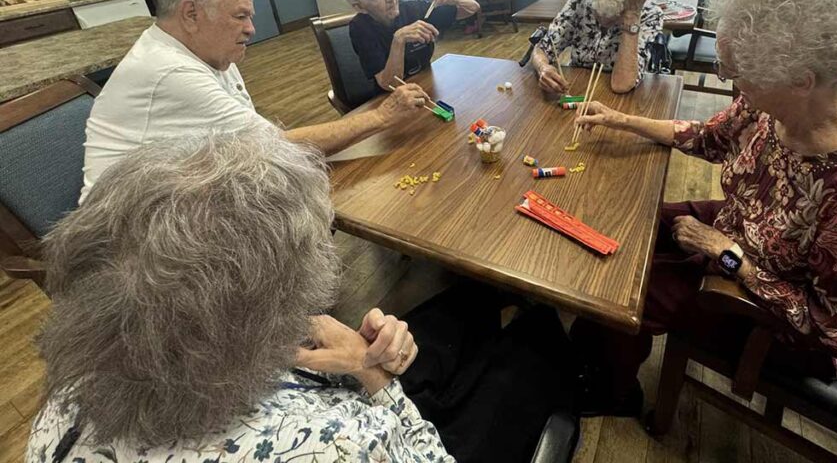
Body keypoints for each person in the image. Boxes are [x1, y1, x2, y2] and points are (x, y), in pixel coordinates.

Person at [30, 128, 576, 463]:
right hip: (390, 430)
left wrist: (335, 346)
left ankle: (483, 327)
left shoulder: (71, 395)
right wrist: (373, 378)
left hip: (292, 394)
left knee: (465, 303)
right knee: (535, 348)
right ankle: (535, 340)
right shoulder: (332, 444)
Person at [571, 0, 837, 415]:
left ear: (800, 79)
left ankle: (610, 391)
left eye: (737, 73)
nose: (728, 81)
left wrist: (726, 255)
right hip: (743, 233)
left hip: (781, 322)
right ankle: (592, 347)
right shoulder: (780, 101)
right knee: (622, 227)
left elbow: (832, 329)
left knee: (623, 292)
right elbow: (707, 137)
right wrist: (620, 119)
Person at [81, 0, 430, 202]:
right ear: (190, 14)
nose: (251, 28)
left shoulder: (209, 52)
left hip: (181, 185)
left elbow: (252, 140)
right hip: (131, 231)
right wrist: (382, 117)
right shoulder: (170, 71)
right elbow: (276, 148)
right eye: (240, 16)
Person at [337, 0, 481, 91]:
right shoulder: (361, 28)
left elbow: (472, 8)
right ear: (359, 6)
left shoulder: (412, 9)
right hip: (391, 100)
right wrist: (399, 40)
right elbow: (390, 85)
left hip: (427, 85)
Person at [532, 0, 664, 94]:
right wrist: (543, 67)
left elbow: (622, 85)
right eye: (597, 12)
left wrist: (632, 17)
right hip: (578, 89)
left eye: (613, 16)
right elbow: (543, 48)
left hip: (620, 101)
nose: (604, 21)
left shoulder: (649, 14)